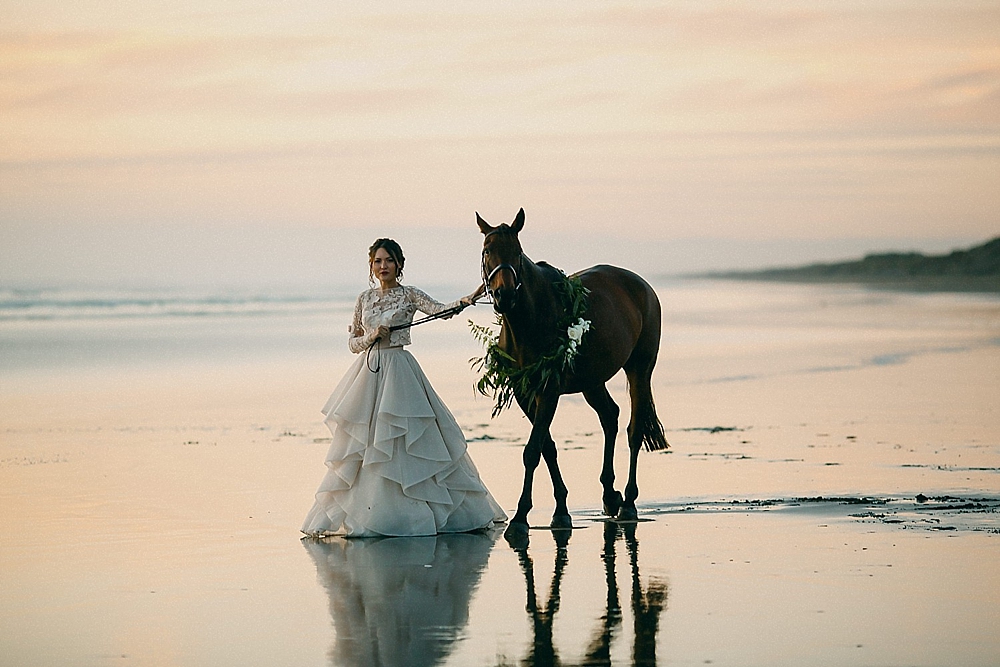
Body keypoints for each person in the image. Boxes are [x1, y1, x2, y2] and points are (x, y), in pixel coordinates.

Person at [302, 238, 506, 537]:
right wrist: (372, 336)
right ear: (371, 267)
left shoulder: (409, 295)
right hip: (369, 373)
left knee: (407, 440)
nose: (383, 266)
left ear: (399, 264)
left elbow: (440, 310)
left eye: (389, 261)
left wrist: (468, 299)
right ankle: (372, 514)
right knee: (368, 444)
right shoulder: (364, 299)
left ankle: (416, 514)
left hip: (400, 371)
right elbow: (353, 344)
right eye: (378, 262)